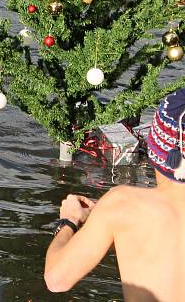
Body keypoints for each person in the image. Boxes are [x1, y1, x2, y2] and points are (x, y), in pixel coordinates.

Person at [44, 88, 185, 301]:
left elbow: (57, 280)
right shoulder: (122, 207)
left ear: (156, 148)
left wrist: (69, 221)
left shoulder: (122, 206)